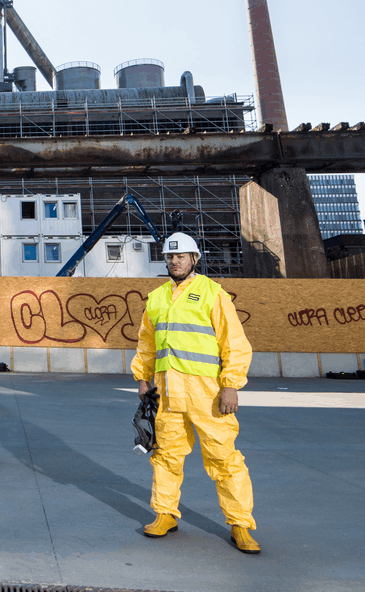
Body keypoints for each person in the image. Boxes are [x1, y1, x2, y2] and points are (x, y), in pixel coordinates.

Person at [130, 232, 260, 554]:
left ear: (195, 259)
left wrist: (231, 384)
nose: (176, 261)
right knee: (165, 456)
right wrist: (143, 378)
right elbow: (147, 343)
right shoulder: (157, 298)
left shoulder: (212, 293)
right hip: (166, 393)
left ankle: (240, 524)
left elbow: (234, 343)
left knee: (224, 458)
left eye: (182, 256)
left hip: (208, 394)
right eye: (171, 257)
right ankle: (165, 514)